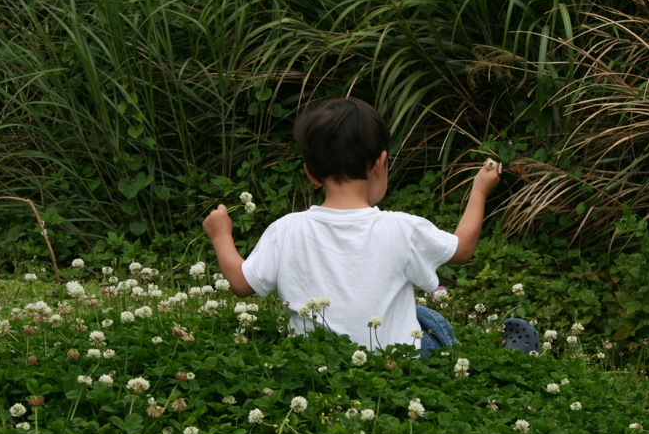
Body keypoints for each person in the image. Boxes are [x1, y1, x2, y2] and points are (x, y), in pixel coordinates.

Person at [202, 97, 500, 354]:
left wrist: (221, 234)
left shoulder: (286, 229)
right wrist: (479, 191)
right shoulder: (402, 228)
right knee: (428, 320)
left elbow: (241, 284)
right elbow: (462, 250)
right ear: (380, 163)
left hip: (317, 364)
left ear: (310, 173)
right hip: (394, 365)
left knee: (420, 313)